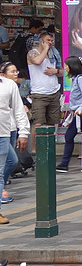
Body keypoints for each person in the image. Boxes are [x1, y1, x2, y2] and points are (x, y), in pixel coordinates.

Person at [0, 61, 29, 223]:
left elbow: (18, 109)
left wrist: (23, 132)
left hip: (3, 133)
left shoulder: (8, 85)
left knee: (9, 163)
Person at [27, 33, 62, 157]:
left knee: (52, 122)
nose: (50, 42)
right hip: (39, 93)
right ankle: (35, 151)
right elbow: (37, 61)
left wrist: (56, 71)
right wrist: (45, 49)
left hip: (53, 91)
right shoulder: (33, 53)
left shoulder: (55, 54)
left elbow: (63, 72)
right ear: (41, 41)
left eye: (52, 40)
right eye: (48, 40)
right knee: (38, 123)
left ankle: (49, 149)